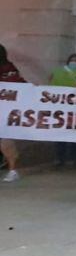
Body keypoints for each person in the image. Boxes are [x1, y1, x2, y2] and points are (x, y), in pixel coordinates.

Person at [49, 53, 76, 169]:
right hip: (60, 108)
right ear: (68, 61)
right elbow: (50, 85)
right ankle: (60, 158)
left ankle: (73, 158)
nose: (75, 62)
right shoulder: (57, 72)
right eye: (73, 60)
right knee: (60, 133)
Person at [0, 44, 25, 182]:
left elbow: (19, 85)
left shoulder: (8, 68)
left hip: (5, 111)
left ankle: (12, 169)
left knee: (6, 142)